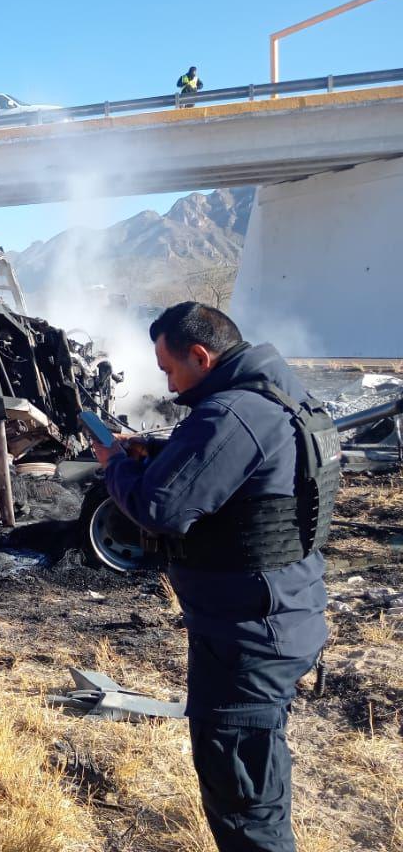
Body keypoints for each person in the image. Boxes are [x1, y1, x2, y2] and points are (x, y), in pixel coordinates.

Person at [93, 302, 338, 852]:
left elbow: (160, 508)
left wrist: (116, 466)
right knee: (257, 776)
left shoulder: (231, 414)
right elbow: (242, 477)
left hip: (248, 635)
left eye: (169, 369)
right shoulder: (284, 397)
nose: (168, 382)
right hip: (281, 616)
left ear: (201, 356)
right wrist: (159, 452)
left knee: (244, 800)